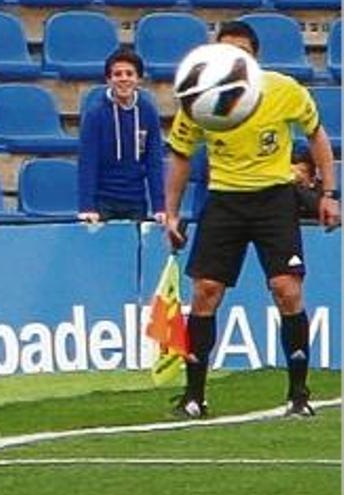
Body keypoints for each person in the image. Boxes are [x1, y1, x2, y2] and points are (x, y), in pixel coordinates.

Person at [165, 22, 340, 419]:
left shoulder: (283, 90)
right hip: (224, 198)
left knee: (286, 290)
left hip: (274, 198)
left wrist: (328, 194)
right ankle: (194, 396)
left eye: (241, 52)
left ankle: (298, 394)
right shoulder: (201, 96)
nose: (233, 59)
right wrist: (171, 212)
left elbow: (316, 136)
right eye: (225, 51)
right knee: (206, 291)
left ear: (254, 57)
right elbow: (179, 153)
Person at [78, 48, 166, 223]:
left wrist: (160, 207)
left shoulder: (148, 112)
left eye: (129, 74)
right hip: (103, 202)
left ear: (138, 79)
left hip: (136, 201)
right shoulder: (95, 113)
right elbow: (88, 162)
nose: (124, 79)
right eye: (117, 74)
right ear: (109, 80)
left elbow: (154, 162)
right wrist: (87, 207)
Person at [290, 147, 323, 219]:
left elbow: (314, 208)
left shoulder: (322, 189)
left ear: (312, 176)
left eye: (303, 171)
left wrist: (299, 188)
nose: (298, 174)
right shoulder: (283, 189)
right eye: (291, 171)